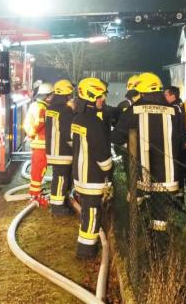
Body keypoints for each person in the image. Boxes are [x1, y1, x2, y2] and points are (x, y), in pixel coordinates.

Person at [112, 72, 184, 237]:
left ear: (142, 91)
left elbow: (116, 137)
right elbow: (182, 139)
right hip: (167, 172)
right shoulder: (173, 111)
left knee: (136, 201)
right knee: (160, 211)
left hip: (140, 172)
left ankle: (133, 230)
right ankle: (159, 242)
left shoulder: (134, 110)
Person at [71, 77, 113, 259]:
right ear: (90, 97)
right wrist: (109, 171)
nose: (102, 99)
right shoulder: (94, 123)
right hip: (93, 177)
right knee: (92, 213)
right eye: (99, 96)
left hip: (80, 175)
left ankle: (83, 246)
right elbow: (102, 153)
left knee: (87, 212)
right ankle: (87, 251)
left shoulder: (78, 118)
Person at [164, 85, 186, 212]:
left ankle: (179, 205)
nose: (165, 97)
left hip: (179, 148)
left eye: (166, 95)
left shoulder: (171, 109)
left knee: (178, 176)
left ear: (173, 95)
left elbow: (173, 130)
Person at [45, 79, 75, 216]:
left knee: (59, 176)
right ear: (67, 93)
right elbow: (68, 132)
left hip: (53, 149)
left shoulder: (51, 108)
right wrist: (75, 146)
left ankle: (60, 203)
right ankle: (57, 207)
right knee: (62, 178)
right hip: (62, 150)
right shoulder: (66, 110)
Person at [24, 82, 53, 199]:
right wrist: (32, 134)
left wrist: (30, 135)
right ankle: (35, 196)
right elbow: (39, 124)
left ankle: (34, 193)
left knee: (36, 170)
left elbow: (27, 123)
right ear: (48, 96)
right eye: (52, 95)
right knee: (39, 170)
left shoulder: (34, 105)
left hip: (37, 144)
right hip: (42, 145)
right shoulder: (43, 108)